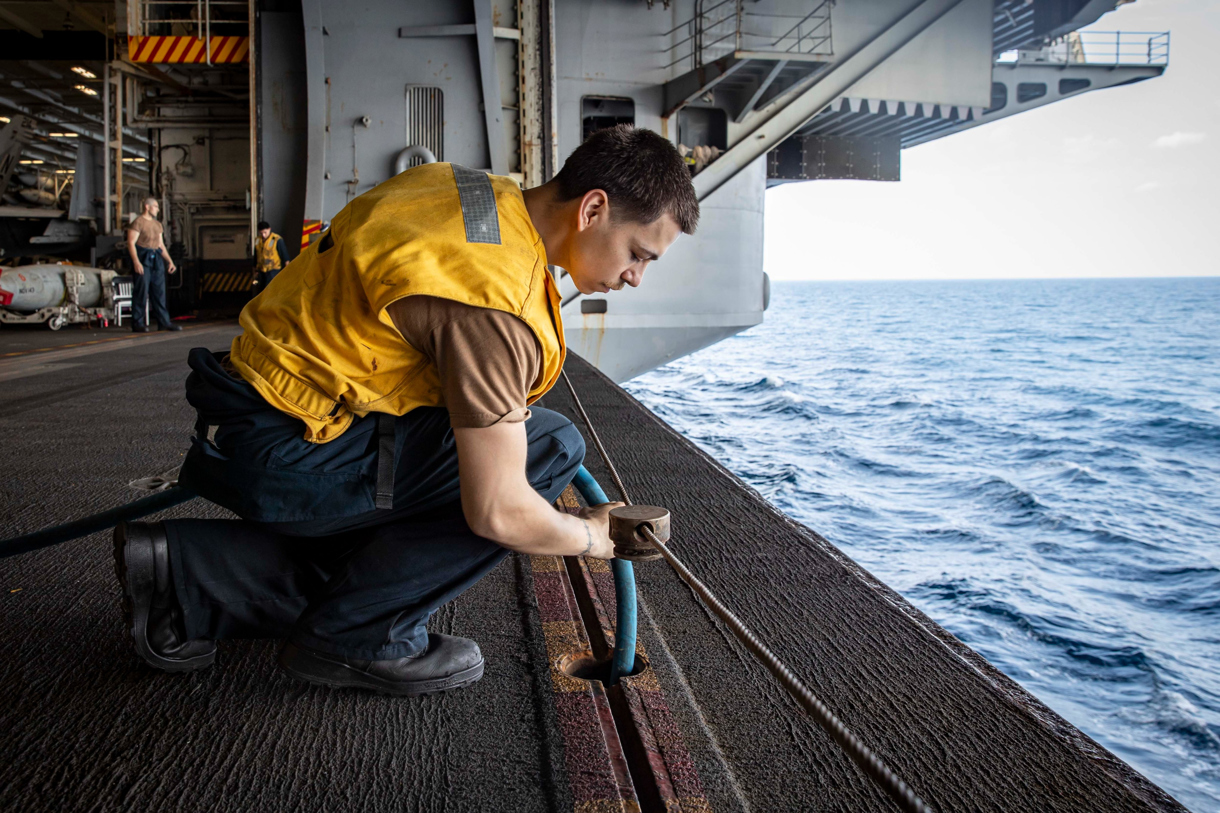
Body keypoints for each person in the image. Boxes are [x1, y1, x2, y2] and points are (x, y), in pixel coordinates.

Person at [112, 125, 699, 695]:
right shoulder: (493, 304)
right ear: (592, 209)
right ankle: (361, 637)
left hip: (246, 408)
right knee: (549, 449)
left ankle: (184, 571)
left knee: (418, 522)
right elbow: (500, 512)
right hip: (284, 449)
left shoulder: (461, 188)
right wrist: (592, 537)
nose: (636, 277)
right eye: (637, 253)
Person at [125, 197, 181, 333]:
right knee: (141, 292)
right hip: (143, 258)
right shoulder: (138, 222)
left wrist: (169, 261)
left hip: (156, 259)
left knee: (159, 293)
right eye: (155, 206)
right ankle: (138, 323)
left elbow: (161, 245)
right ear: (147, 207)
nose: (157, 209)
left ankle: (164, 322)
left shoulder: (157, 224)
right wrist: (136, 261)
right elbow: (131, 243)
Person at [253, 220, 289, 291]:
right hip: (261, 271)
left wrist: (287, 273)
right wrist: (255, 270)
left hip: (273, 270)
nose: (263, 235)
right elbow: (256, 256)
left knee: (271, 290)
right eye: (261, 233)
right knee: (261, 291)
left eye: (265, 232)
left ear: (269, 229)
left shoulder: (277, 240)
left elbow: (285, 257)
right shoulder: (257, 240)